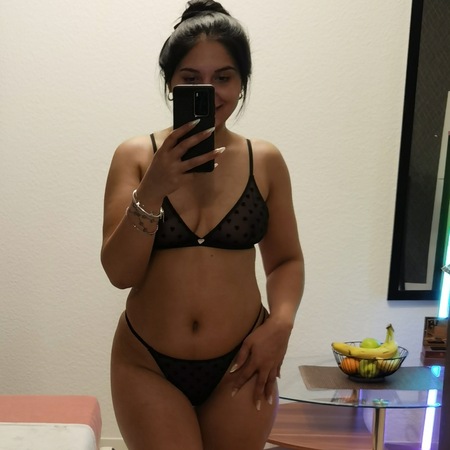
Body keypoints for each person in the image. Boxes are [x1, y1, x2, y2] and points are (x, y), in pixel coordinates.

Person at [101, 1, 304, 449]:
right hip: (147, 364)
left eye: (223, 77)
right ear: (170, 83)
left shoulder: (264, 161)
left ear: (242, 83)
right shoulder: (135, 157)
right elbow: (119, 273)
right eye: (191, 79)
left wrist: (281, 325)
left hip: (242, 361)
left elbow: (286, 261)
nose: (209, 91)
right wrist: (153, 187)